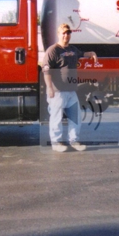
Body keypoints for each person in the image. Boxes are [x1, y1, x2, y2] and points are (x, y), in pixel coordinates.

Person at [42, 23, 98, 152]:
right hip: (57, 91)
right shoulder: (53, 50)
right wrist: (49, 88)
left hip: (71, 91)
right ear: (58, 34)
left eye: (68, 33)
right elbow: (46, 71)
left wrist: (92, 53)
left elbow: (84, 53)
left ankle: (74, 140)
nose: (66, 35)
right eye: (63, 33)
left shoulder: (72, 50)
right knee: (56, 117)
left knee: (75, 117)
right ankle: (56, 142)